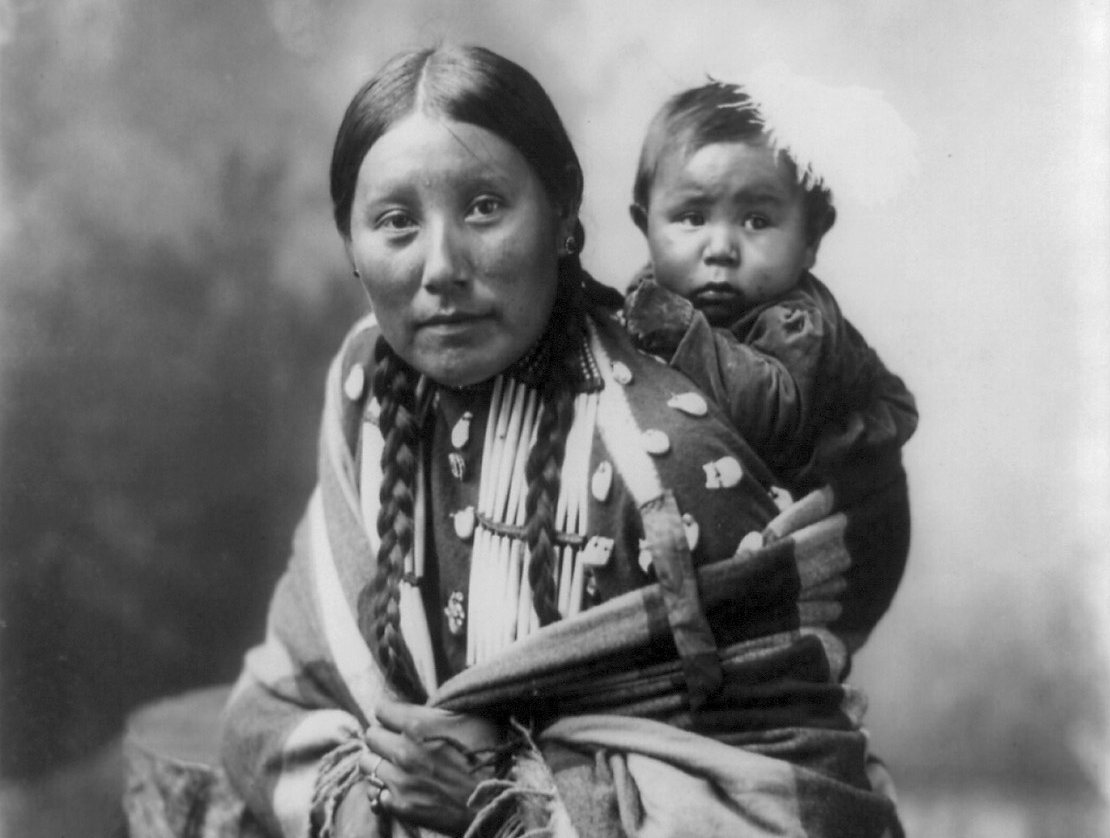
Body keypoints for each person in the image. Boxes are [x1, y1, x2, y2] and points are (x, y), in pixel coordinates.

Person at [221, 45, 906, 838]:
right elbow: (283, 692)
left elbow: (795, 788)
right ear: (349, 242)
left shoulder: (665, 452)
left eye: (484, 207)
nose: (441, 267)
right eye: (396, 222)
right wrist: (363, 794)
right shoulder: (366, 388)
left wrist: (512, 807)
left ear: (564, 213)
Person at [624, 75, 919, 518]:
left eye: (757, 221)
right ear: (644, 225)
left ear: (811, 240)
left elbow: (772, 419)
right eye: (691, 217)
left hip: (837, 488)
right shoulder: (667, 286)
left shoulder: (797, 321)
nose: (720, 247)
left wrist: (684, 333)